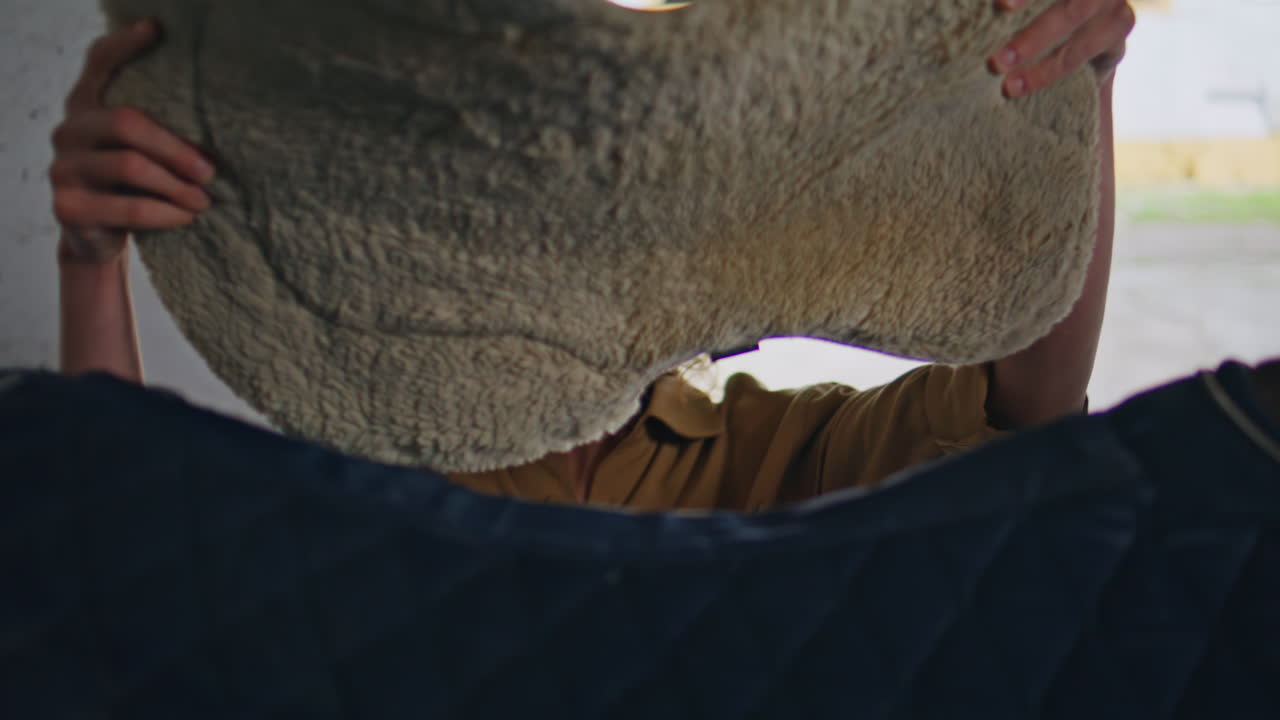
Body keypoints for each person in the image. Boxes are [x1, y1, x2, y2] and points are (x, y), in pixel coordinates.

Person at [52, 1, 1136, 512]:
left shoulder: (760, 447)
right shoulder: (373, 449)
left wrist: (1075, 95)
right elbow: (129, 545)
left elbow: (1030, 407)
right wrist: (92, 261)